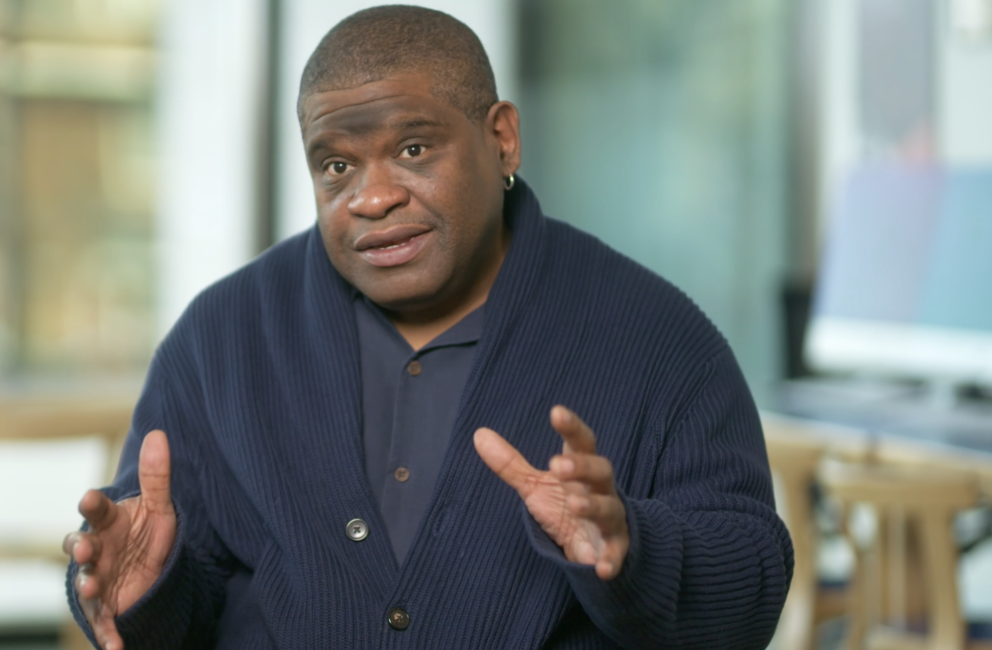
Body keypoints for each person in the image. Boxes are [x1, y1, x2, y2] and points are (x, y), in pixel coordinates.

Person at [63, 5, 792, 649]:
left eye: (413, 150)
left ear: (502, 138)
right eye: (337, 166)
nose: (372, 197)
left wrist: (635, 551)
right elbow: (165, 591)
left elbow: (751, 593)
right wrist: (147, 592)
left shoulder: (659, 342)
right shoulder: (221, 340)